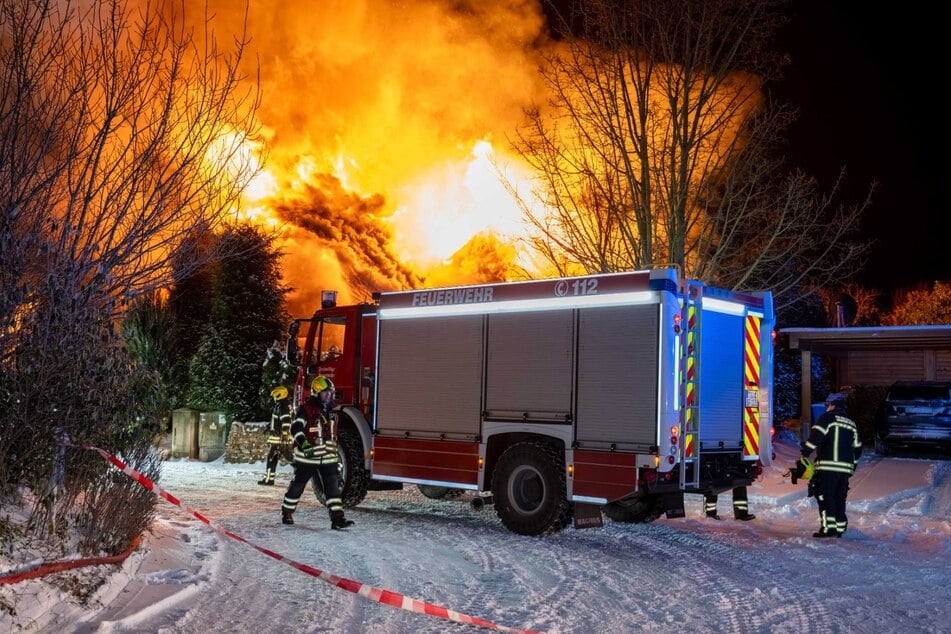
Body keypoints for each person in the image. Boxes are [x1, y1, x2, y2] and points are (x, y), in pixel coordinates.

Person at [280, 376, 354, 529]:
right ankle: (287, 512)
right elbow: (296, 428)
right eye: (325, 392)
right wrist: (305, 444)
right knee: (298, 485)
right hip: (309, 457)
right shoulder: (305, 409)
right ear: (316, 393)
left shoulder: (332, 410)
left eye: (330, 392)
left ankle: (337, 519)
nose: (329, 395)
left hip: (328, 457)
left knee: (333, 489)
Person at [801, 392, 863, 538]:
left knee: (825, 496)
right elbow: (858, 448)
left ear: (833, 405)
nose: (826, 408)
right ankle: (840, 528)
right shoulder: (851, 423)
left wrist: (805, 453)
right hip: (845, 470)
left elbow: (815, 438)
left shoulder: (827, 418)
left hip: (827, 467)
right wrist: (852, 467)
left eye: (827, 405)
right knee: (839, 498)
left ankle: (828, 529)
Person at [258, 386, 292, 486]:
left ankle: (269, 480)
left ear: (280, 394)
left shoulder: (283, 405)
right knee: (284, 458)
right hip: (279, 438)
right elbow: (276, 420)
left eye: (275, 395)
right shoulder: (282, 405)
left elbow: (286, 421)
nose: (274, 397)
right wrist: (269, 427)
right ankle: (269, 479)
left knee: (272, 458)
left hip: (279, 439)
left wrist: (284, 434)